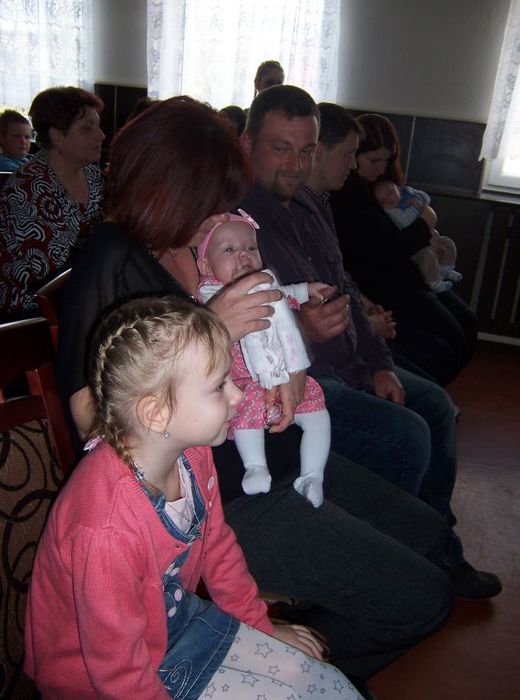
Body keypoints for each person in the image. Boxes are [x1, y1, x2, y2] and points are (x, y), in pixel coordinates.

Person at [56, 95, 456, 689]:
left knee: (428, 534)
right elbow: (91, 420)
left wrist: (287, 359)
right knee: (423, 599)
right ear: (167, 187)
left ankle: (282, 645)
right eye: (211, 197)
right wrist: (211, 331)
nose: (223, 211)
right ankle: (270, 671)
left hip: (276, 447)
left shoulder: (197, 243)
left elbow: (263, 331)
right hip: (220, 492)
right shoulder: (112, 259)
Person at [26, 295, 361, 699]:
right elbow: (116, 672)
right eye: (219, 386)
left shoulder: (193, 454)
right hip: (103, 680)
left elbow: (219, 551)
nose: (238, 396)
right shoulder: (105, 528)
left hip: (177, 625)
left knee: (322, 682)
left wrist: (261, 627)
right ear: (156, 413)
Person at [239, 86, 501, 601]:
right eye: (281, 149)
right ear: (248, 145)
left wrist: (380, 362)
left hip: (352, 362)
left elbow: (345, 288)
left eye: (307, 150)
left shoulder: (310, 203)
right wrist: (304, 333)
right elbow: (241, 339)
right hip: (303, 384)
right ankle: (392, 567)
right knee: (406, 434)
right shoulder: (237, 224)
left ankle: (436, 546)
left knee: (435, 405)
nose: (296, 165)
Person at [330, 113, 478, 387]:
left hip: (412, 277)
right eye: (374, 160)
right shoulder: (348, 194)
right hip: (390, 288)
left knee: (467, 325)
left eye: (387, 161)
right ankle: (428, 395)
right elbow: (393, 249)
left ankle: (433, 394)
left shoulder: (381, 185)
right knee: (449, 344)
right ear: (353, 155)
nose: (381, 168)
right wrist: (426, 221)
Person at [197, 209, 331, 506]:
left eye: (251, 248)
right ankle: (255, 467)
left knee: (318, 413)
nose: (243, 255)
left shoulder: (266, 284)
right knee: (247, 414)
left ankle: (312, 475)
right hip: (246, 384)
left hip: (284, 377)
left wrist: (307, 290)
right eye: (229, 250)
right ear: (205, 265)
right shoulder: (211, 295)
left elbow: (284, 293)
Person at [0, 87, 105, 319]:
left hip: (85, 298)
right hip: (34, 316)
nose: (101, 136)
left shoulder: (94, 177)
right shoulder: (26, 188)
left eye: (98, 126)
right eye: (87, 128)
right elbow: (52, 274)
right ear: (57, 135)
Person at [373, 179, 462, 294]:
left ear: (397, 188)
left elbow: (426, 198)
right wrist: (415, 207)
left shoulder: (407, 193)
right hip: (419, 246)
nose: (389, 199)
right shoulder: (392, 212)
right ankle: (434, 281)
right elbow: (406, 221)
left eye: (391, 192)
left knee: (448, 243)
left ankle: (447, 267)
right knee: (427, 257)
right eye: (383, 201)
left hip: (432, 234)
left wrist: (418, 200)